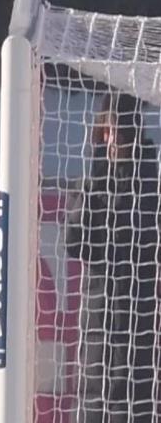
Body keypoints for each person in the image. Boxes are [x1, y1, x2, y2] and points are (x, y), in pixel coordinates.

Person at [65, 92, 159, 423]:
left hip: (139, 346)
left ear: (133, 131)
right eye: (106, 130)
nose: (110, 140)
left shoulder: (151, 186)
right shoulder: (91, 183)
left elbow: (145, 243)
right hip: (96, 340)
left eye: (117, 130)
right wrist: (96, 182)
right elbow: (75, 243)